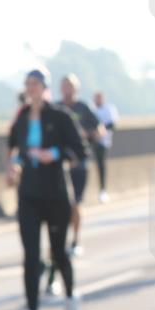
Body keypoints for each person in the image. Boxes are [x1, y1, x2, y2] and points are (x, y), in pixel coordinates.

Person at [6, 69, 86, 310]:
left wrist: (53, 153)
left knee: (58, 252)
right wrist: (13, 165)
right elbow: (15, 147)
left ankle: (71, 296)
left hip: (55, 194)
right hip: (28, 194)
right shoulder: (22, 117)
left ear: (45, 87)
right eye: (27, 84)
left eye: (35, 84)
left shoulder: (60, 116)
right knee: (30, 256)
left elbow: (79, 150)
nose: (31, 89)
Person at [56, 74, 104, 255]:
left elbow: (100, 130)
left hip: (80, 163)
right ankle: (60, 242)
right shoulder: (57, 108)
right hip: (60, 164)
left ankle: (75, 240)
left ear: (76, 89)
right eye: (65, 86)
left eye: (71, 86)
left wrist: (88, 135)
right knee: (60, 207)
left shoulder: (84, 108)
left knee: (76, 204)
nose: (68, 89)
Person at [92, 91, 119, 202]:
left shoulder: (109, 109)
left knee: (101, 165)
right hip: (92, 141)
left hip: (103, 142)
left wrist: (101, 131)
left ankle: (103, 190)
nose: (97, 100)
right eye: (96, 98)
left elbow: (112, 124)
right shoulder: (92, 110)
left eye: (99, 97)